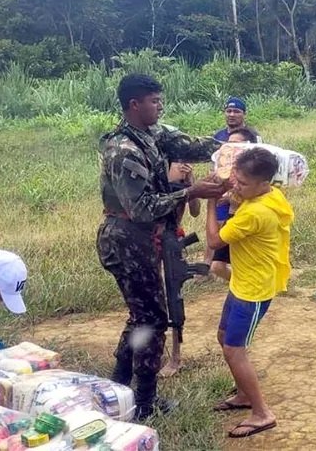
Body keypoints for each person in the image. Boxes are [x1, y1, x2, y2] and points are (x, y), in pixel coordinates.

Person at [96, 74, 228, 420]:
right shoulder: (122, 149)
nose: (160, 105)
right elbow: (140, 209)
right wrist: (191, 192)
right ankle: (143, 402)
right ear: (133, 105)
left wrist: (238, 150)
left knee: (143, 316)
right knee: (152, 320)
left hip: (144, 239)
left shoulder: (156, 133)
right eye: (153, 100)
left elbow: (196, 146)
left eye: (160, 99)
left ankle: (118, 389)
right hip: (126, 239)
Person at [205, 148, 292, 439]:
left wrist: (210, 204)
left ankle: (262, 412)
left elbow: (215, 239)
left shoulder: (256, 212)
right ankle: (243, 394)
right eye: (235, 178)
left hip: (253, 291)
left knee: (234, 349)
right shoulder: (270, 195)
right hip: (242, 282)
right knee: (222, 336)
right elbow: (238, 198)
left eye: (242, 182)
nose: (236, 185)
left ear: (262, 182)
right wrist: (231, 194)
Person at [159, 161, 201, 378]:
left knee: (174, 296)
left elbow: (195, 211)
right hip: (149, 238)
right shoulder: (152, 165)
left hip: (173, 237)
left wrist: (190, 184)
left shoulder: (183, 170)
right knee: (153, 297)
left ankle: (176, 356)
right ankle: (157, 351)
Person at [207, 127, 260, 284]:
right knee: (217, 266)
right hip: (233, 216)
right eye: (229, 144)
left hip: (249, 220)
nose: (232, 148)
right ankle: (243, 286)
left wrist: (228, 197)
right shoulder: (224, 168)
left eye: (238, 144)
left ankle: (247, 288)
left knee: (244, 263)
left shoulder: (257, 170)